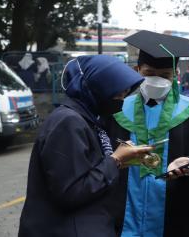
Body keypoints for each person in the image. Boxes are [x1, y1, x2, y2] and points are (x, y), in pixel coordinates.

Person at [18, 55, 152, 237]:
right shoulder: (68, 122)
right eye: (117, 92)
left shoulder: (88, 119)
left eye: (125, 92)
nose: (122, 98)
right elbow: (72, 192)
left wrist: (122, 159)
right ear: (95, 88)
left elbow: (87, 170)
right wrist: (116, 160)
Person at [114, 30, 189, 237]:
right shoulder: (118, 109)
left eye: (165, 75)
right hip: (125, 208)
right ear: (137, 70)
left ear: (175, 75)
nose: (156, 80)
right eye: (148, 73)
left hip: (176, 209)